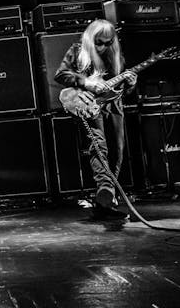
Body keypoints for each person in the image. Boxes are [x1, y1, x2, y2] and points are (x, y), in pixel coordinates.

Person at [55, 19, 137, 221]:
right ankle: (106, 188)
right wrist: (86, 82)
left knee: (117, 151)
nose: (103, 47)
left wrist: (130, 85)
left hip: (114, 107)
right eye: (99, 42)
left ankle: (105, 203)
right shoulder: (77, 51)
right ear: (90, 40)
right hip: (89, 105)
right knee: (99, 145)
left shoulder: (117, 58)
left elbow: (120, 90)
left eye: (108, 43)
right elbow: (61, 74)